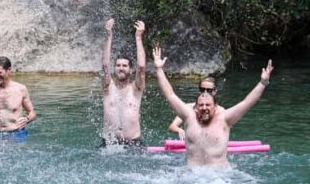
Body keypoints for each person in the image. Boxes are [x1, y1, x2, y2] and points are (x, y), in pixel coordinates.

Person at [153, 45, 273, 167]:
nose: (204, 108)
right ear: (196, 107)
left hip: (219, 177)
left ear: (215, 106)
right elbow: (170, 95)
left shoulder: (225, 118)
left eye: (207, 105)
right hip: (191, 177)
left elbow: (246, 103)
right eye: (201, 105)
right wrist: (159, 69)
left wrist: (263, 83)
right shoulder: (188, 116)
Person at [101, 18, 146, 146]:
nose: (121, 68)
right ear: (114, 68)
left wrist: (138, 37)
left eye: (125, 66)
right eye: (118, 65)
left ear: (130, 70)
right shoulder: (108, 88)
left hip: (133, 143)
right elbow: (104, 66)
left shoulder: (136, 89)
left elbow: (142, 67)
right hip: (109, 144)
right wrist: (109, 36)